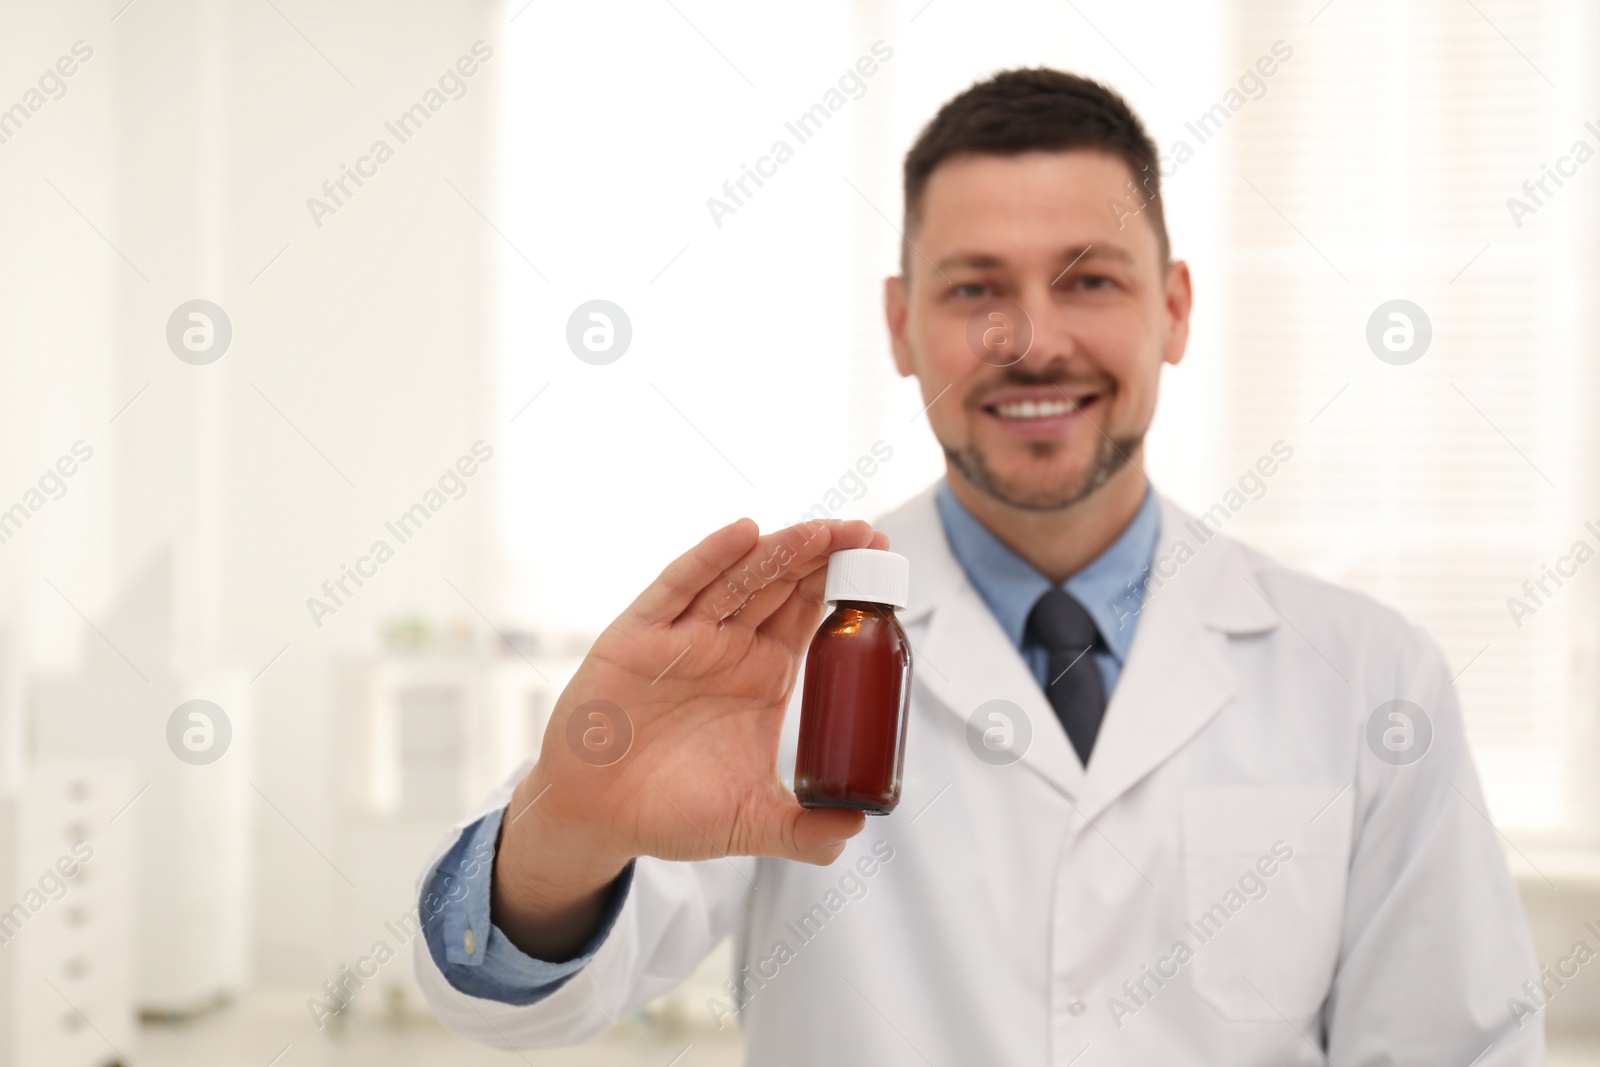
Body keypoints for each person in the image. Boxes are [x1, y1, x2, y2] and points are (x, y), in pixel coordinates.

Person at [413, 68, 1542, 1064]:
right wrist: (571, 823)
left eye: (1089, 278)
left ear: (1174, 309)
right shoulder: (776, 650)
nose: (1030, 340)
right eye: (973, 288)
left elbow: (1452, 1043)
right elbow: (523, 1000)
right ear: (901, 327)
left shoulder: (1366, 676)